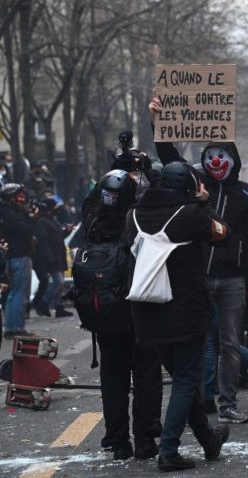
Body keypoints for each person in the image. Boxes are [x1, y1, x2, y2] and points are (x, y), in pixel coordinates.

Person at [149, 97, 248, 425]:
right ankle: (202, 399)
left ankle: (228, 401)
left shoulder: (246, 194)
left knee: (230, 342)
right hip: (197, 276)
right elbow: (169, 158)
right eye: (211, 156)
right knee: (198, 341)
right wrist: (159, 123)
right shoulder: (193, 185)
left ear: (233, 159)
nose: (216, 161)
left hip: (232, 279)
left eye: (222, 156)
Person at [125, 162, 230, 472]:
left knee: (184, 381)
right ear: (190, 186)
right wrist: (205, 202)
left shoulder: (132, 215)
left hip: (145, 311)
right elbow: (223, 233)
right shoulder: (191, 215)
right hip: (185, 311)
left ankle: (208, 440)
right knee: (186, 380)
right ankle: (169, 450)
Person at [79, 170, 164, 461]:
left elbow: (89, 202)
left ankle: (117, 441)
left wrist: (118, 164)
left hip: (107, 313)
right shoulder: (139, 220)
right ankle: (144, 438)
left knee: (113, 378)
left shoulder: (93, 223)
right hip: (139, 311)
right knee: (146, 376)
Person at [0, 184, 36, 338]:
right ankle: (16, 328)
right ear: (11, 198)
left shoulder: (8, 212)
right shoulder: (10, 214)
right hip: (19, 255)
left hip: (16, 255)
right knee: (19, 293)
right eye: (20, 197)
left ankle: (12, 328)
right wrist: (33, 217)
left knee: (15, 293)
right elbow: (26, 230)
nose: (23, 200)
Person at [33, 198, 73, 318]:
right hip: (52, 257)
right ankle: (43, 303)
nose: (57, 209)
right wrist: (48, 257)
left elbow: (58, 236)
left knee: (60, 284)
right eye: (55, 207)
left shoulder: (51, 220)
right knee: (58, 281)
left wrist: (67, 231)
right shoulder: (42, 222)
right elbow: (43, 242)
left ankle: (59, 307)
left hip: (58, 255)